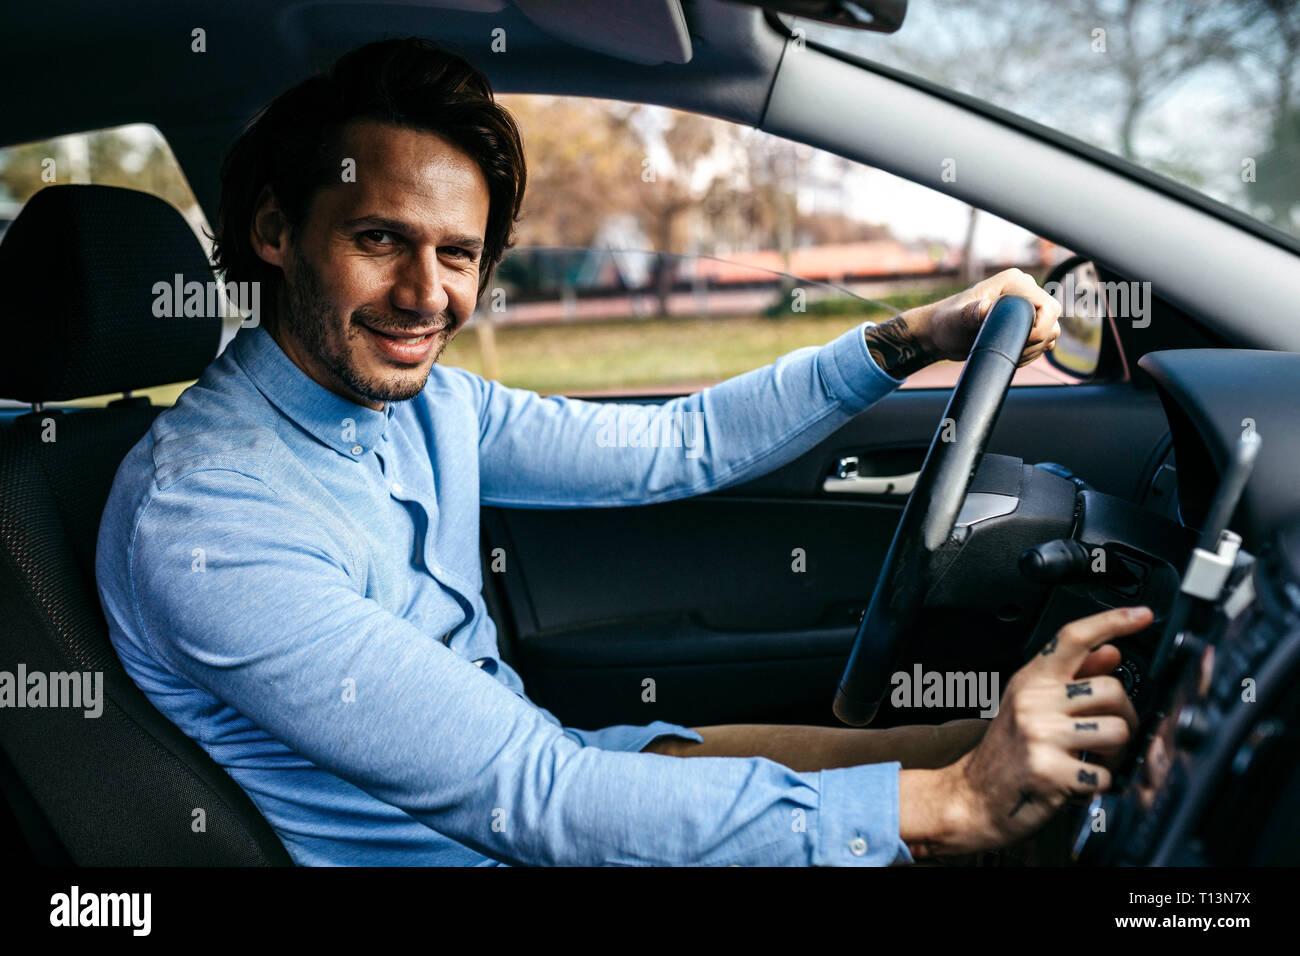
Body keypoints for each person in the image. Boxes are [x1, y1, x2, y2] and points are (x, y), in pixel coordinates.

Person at [96, 37, 1144, 866]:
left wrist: (913, 336)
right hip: (511, 839)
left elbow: (678, 442)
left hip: (575, 785)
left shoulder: (427, 408)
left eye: (457, 253)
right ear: (277, 231)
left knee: (1035, 758)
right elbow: (530, 792)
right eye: (380, 239)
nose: (427, 295)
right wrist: (954, 804)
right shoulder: (209, 516)